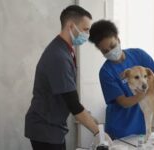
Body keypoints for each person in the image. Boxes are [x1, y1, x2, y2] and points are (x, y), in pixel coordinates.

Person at [25, 5, 107, 150]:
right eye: (86, 29)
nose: (88, 35)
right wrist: (97, 132)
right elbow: (73, 105)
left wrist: (87, 116)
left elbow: (68, 93)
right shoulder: (59, 56)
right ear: (71, 25)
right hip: (45, 128)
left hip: (52, 126)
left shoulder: (66, 50)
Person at [88, 20, 154, 140]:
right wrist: (145, 89)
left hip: (140, 126)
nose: (110, 51)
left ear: (118, 40)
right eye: (105, 51)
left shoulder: (138, 55)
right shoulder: (106, 72)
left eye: (113, 46)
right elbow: (124, 102)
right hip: (120, 128)